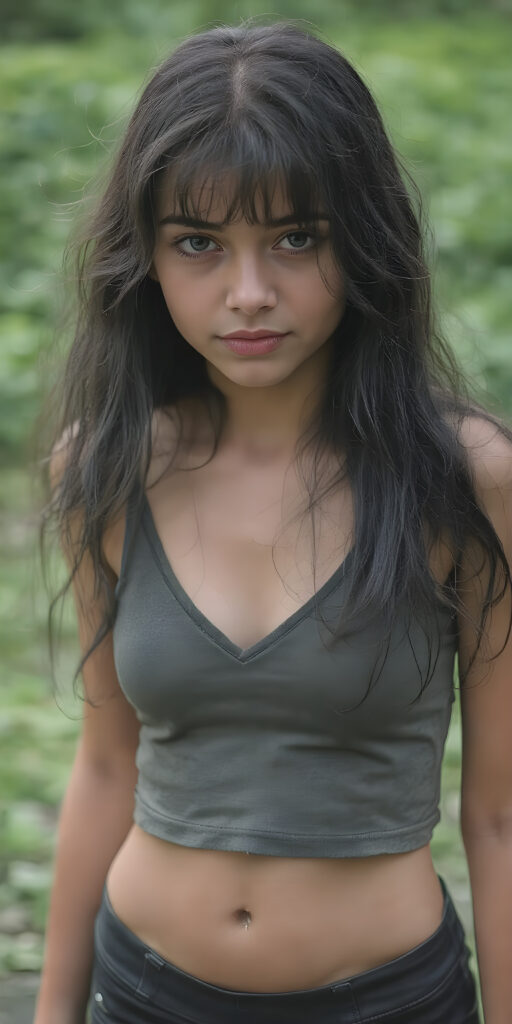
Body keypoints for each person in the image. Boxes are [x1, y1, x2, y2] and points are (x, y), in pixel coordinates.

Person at [34, 20, 512, 1024]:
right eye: (198, 244)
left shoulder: (462, 479)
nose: (249, 293)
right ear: (146, 257)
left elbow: (501, 815)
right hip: (146, 993)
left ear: (363, 240)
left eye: (297, 238)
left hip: (386, 1001)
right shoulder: (107, 468)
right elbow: (106, 766)